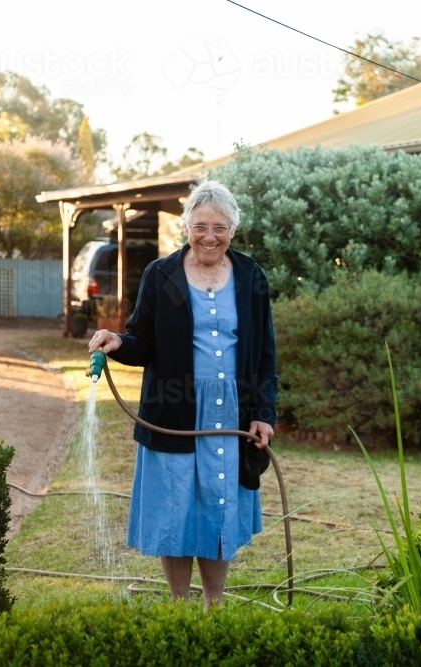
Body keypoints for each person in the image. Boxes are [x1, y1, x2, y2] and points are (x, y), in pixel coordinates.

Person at [87, 180, 277, 609]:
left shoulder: (251, 276)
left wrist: (264, 411)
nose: (210, 236)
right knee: (177, 509)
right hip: (172, 409)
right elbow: (143, 341)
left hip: (231, 411)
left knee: (218, 505)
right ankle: (178, 604)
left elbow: (266, 351)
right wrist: (118, 342)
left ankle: (214, 603)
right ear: (186, 226)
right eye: (201, 226)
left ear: (233, 229)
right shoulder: (162, 274)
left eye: (220, 227)